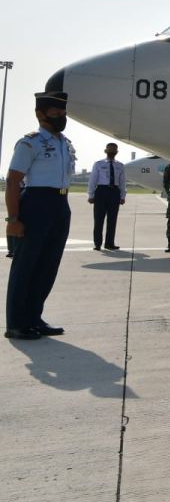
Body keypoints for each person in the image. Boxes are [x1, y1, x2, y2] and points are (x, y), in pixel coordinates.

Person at [4, 91, 75, 340]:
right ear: (40, 114)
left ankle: (34, 318)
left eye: (63, 113)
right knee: (25, 266)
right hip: (36, 204)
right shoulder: (29, 143)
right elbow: (13, 182)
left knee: (47, 267)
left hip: (60, 205)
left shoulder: (65, 143)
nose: (61, 118)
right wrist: (13, 220)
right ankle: (16, 323)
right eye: (56, 114)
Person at [87, 142, 126, 251]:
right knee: (99, 219)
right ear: (105, 151)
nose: (112, 151)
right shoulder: (98, 164)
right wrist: (91, 194)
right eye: (110, 149)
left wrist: (122, 196)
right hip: (101, 191)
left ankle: (109, 243)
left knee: (112, 219)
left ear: (117, 152)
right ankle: (97, 243)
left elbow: (122, 182)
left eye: (114, 149)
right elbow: (93, 180)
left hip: (115, 192)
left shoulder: (120, 165)